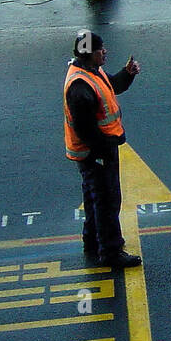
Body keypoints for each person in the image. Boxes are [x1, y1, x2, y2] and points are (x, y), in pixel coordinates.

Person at [64, 30, 142, 268]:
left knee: (93, 197)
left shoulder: (91, 72)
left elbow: (111, 85)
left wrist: (127, 75)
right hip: (95, 153)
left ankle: (92, 240)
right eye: (100, 50)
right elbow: (86, 130)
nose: (105, 52)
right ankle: (110, 250)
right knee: (107, 200)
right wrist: (103, 153)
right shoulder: (80, 87)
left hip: (96, 150)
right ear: (90, 54)